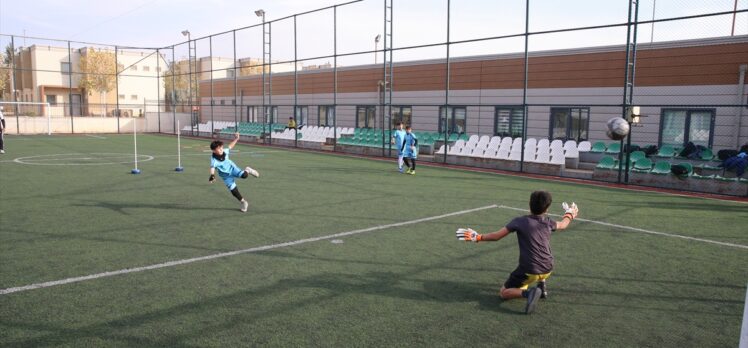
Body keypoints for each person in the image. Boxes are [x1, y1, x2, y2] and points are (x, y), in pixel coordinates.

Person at [455, 191, 579, 314]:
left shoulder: (520, 221)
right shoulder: (548, 222)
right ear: (547, 209)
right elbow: (563, 224)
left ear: (529, 204)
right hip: (548, 268)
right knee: (541, 255)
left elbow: (496, 236)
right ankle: (542, 286)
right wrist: (569, 214)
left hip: (530, 271)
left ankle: (530, 293)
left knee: (504, 293)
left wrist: (478, 237)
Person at [209, 133, 260, 212]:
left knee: (244, 175)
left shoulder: (224, 151)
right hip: (225, 176)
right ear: (214, 151)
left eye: (221, 147)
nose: (221, 149)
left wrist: (236, 139)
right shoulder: (214, 159)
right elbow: (212, 167)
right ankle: (244, 202)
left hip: (232, 169)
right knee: (233, 191)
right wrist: (212, 175)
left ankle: (248, 169)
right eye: (219, 149)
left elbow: (230, 146)